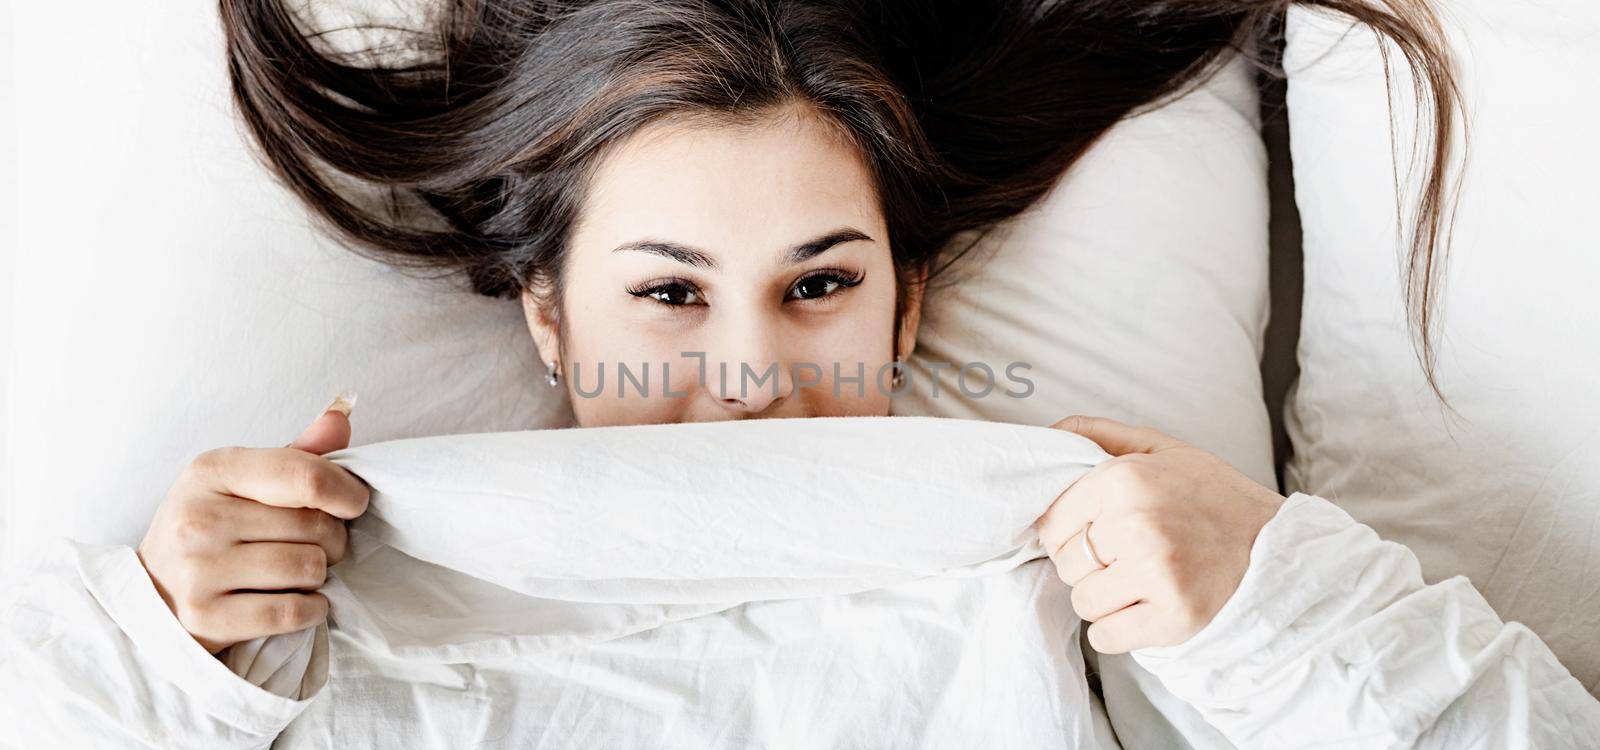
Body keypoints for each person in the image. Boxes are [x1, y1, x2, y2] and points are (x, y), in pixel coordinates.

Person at [2, 0, 1596, 747]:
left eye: (820, 285)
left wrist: (1276, 604)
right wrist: (149, 648)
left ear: (907, 313)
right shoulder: (304, 620)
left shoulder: (1068, 583)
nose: (752, 376)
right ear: (547, 319)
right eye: (670, 295)